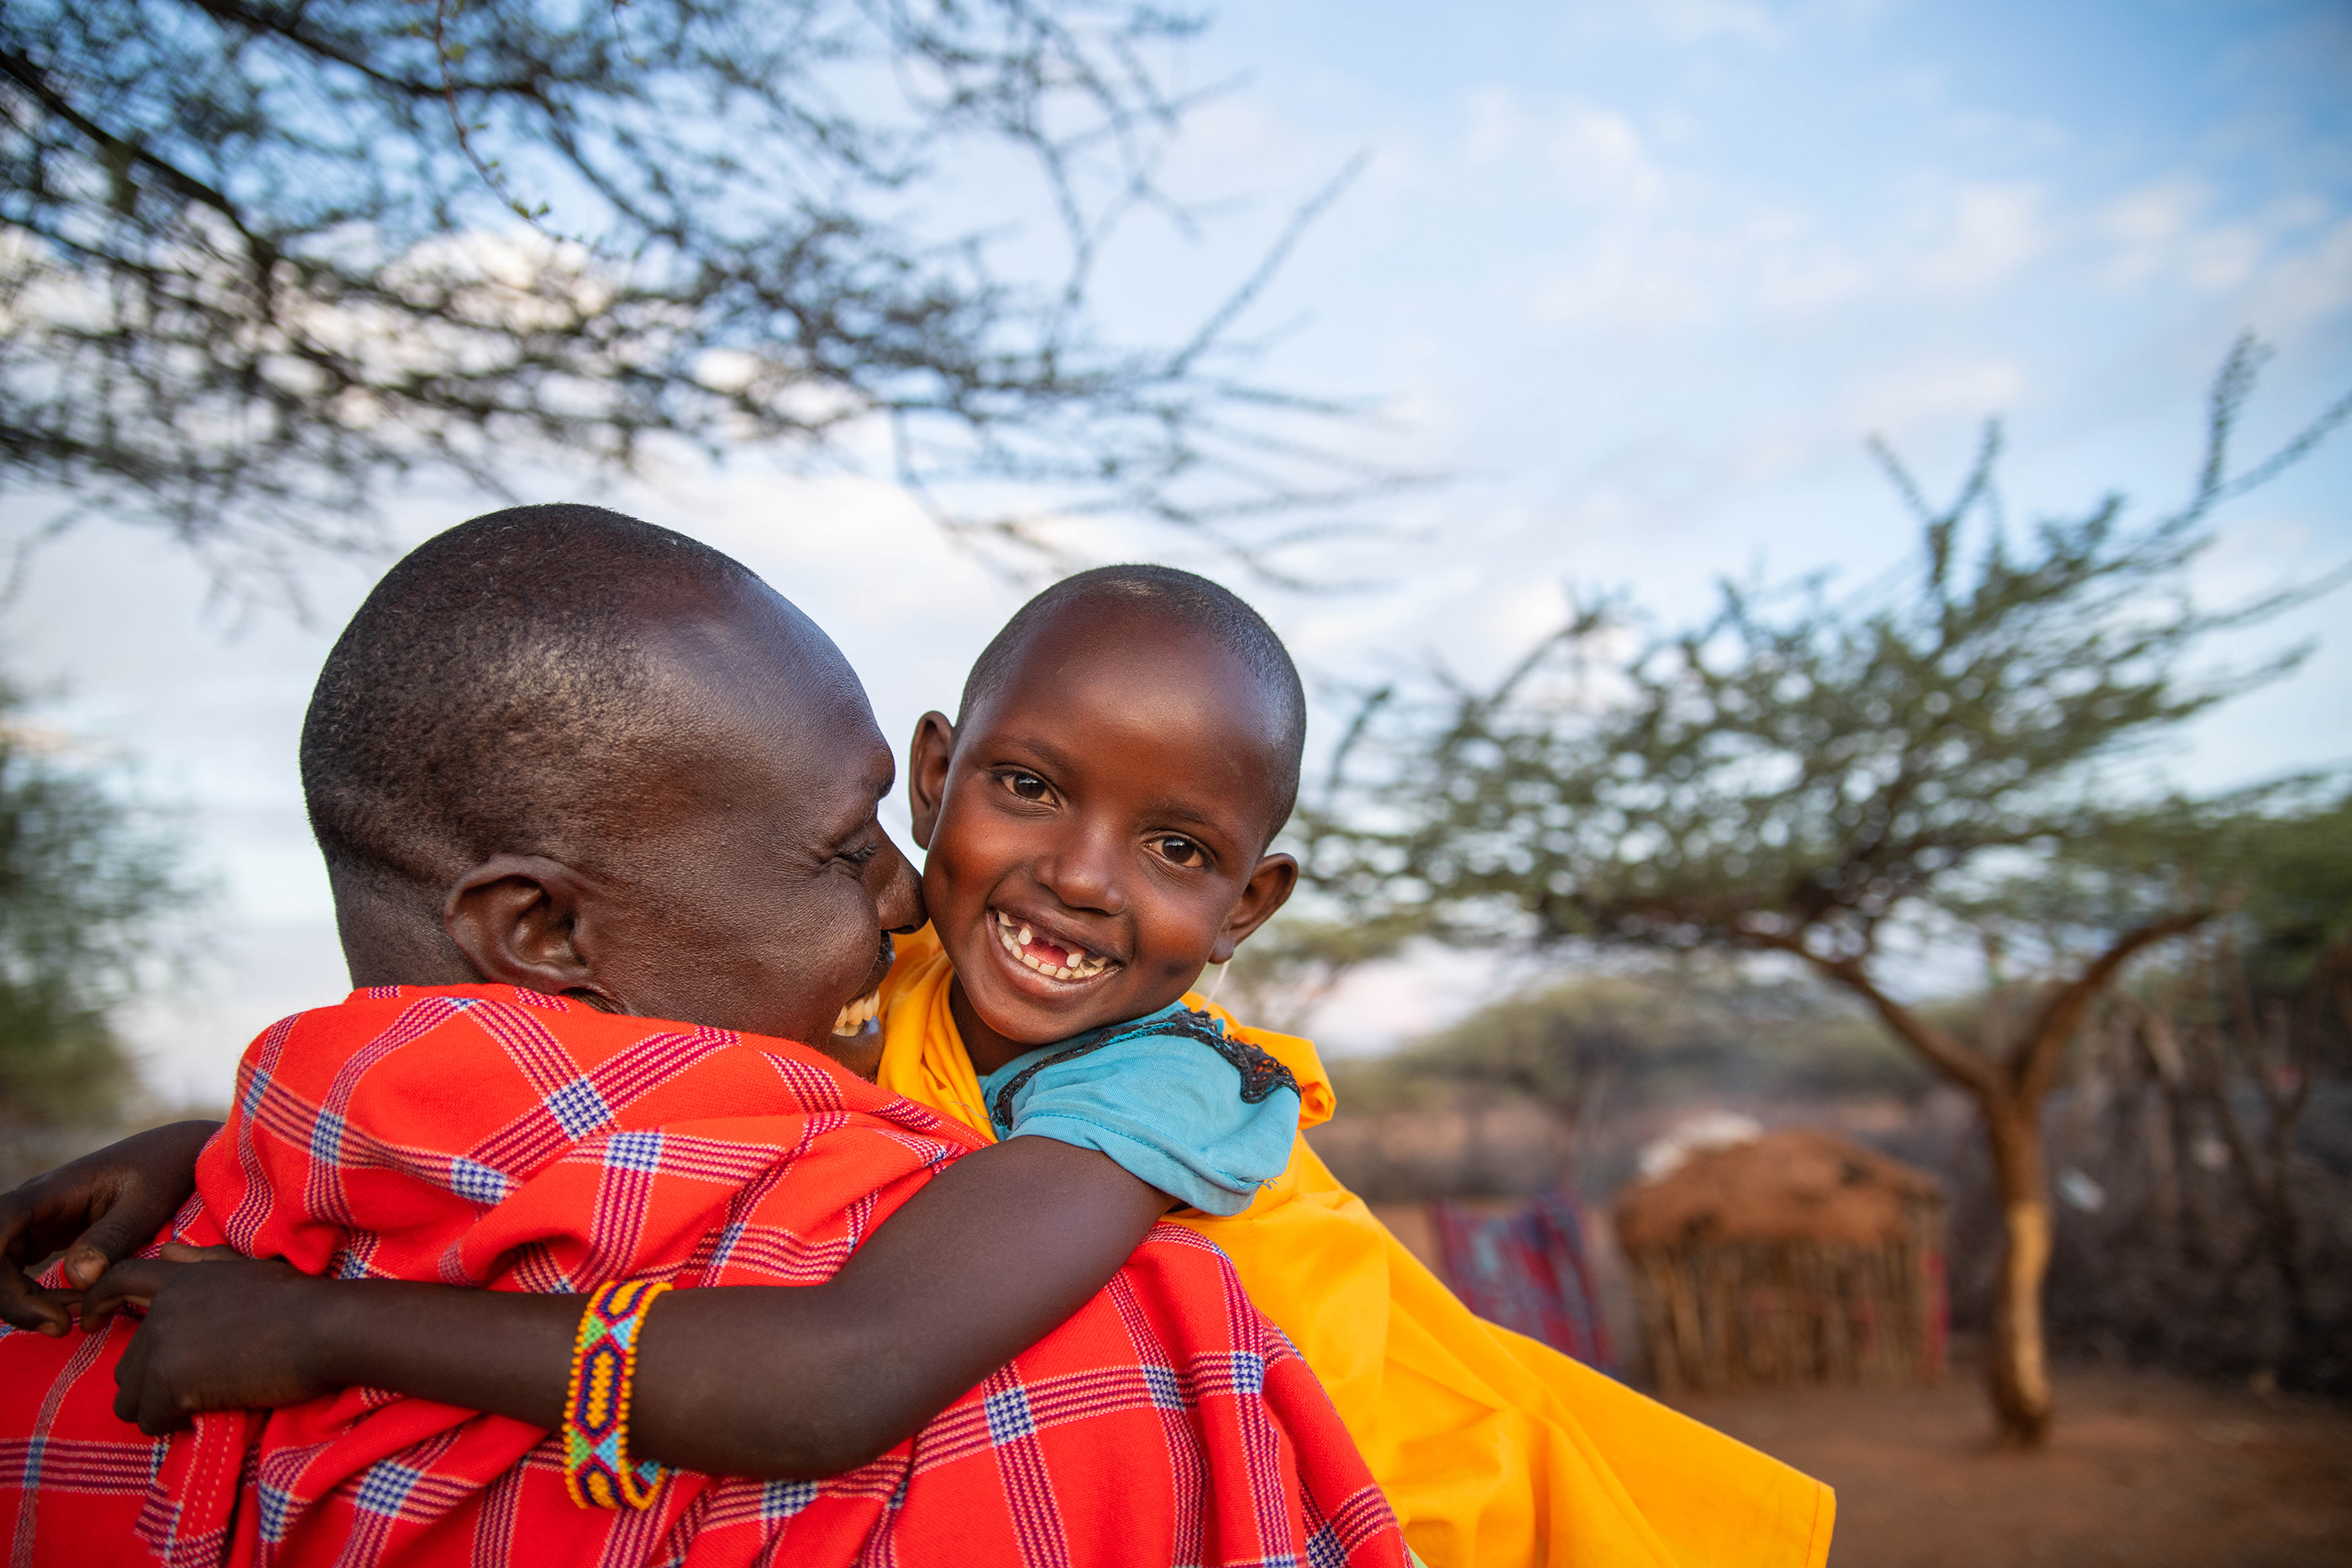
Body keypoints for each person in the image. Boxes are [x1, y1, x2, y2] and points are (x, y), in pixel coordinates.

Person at [0, 507, 1407, 1568]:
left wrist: (317, 1320)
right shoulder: (1022, 1331)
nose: (911, 892)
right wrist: (209, 1161)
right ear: (544, 938)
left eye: (1173, 846)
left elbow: (843, 1372)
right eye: (845, 850)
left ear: (1248, 904)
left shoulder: (1139, 1140)